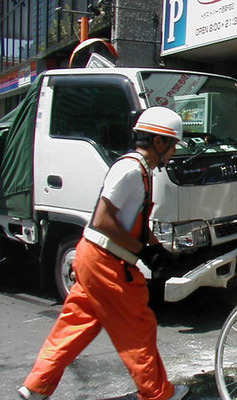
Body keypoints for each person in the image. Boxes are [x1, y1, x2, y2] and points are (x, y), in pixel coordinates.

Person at [18, 107, 189, 400]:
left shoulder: (141, 171)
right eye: (173, 146)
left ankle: (35, 387)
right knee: (138, 326)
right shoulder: (131, 171)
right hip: (107, 263)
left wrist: (156, 248)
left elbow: (131, 219)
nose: (174, 153)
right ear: (159, 143)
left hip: (93, 258)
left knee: (76, 325)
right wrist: (142, 253)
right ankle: (158, 394)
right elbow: (103, 219)